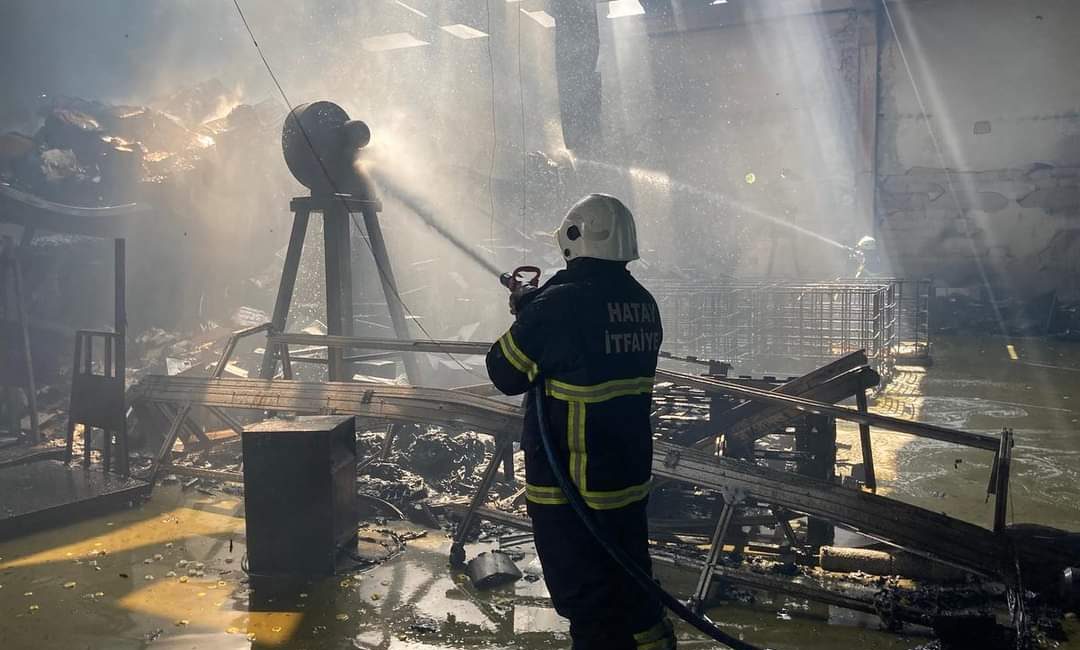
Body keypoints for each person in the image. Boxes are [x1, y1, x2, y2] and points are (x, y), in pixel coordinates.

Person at [486, 194, 675, 650]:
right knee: (632, 585)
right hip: (625, 481)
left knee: (587, 601)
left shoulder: (560, 306)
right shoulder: (642, 302)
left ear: (574, 239)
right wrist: (541, 306)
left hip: (570, 487)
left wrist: (532, 311)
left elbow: (504, 372)